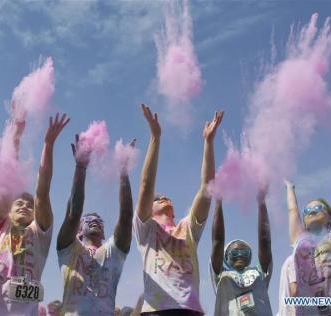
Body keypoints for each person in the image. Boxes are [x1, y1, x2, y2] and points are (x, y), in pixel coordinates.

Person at [133, 104, 224, 315]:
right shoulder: (145, 230)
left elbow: (207, 187)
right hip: (156, 310)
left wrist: (208, 143)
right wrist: (155, 137)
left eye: (166, 197)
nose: (163, 197)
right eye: (158, 199)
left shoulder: (187, 228)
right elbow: (146, 185)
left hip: (189, 310)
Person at [0, 113, 70, 315]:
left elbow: (43, 190)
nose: (24, 206)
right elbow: (7, 180)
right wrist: (16, 136)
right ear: (8, 211)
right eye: (18, 203)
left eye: (30, 205)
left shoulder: (39, 234)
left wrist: (48, 144)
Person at [56, 135, 134, 315]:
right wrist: (81, 167)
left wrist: (123, 171)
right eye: (87, 219)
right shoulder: (69, 249)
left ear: (104, 231)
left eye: (99, 220)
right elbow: (73, 214)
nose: (93, 221)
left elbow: (126, 216)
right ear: (78, 232)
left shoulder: (113, 251)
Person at [279, 149, 331, 315]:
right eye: (307, 210)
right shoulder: (300, 241)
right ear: (305, 224)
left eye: (317, 208)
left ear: (330, 217)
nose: (311, 211)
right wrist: (289, 187)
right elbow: (293, 211)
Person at [210, 191, 273, 315]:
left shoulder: (259, 273)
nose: (239, 255)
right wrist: (218, 203)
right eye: (234, 252)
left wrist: (261, 202)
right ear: (225, 258)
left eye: (244, 252)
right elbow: (217, 241)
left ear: (250, 257)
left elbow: (265, 240)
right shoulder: (221, 275)